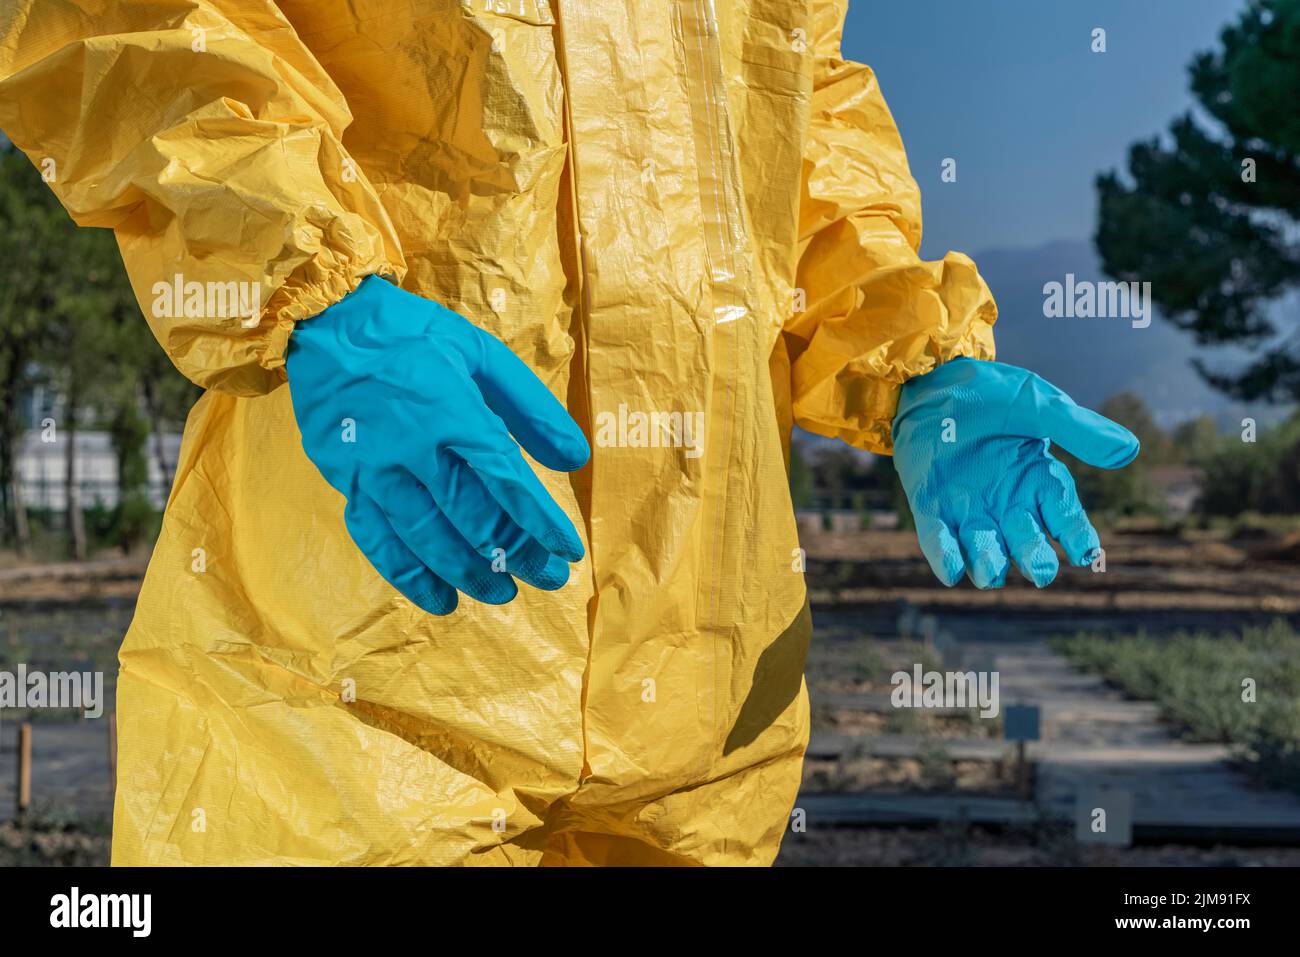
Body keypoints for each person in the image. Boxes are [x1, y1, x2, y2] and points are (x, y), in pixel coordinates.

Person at [0, 0, 1136, 865]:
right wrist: (311, 282)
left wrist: (910, 359)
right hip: (353, 670)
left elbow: (800, 111)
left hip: (706, 697)